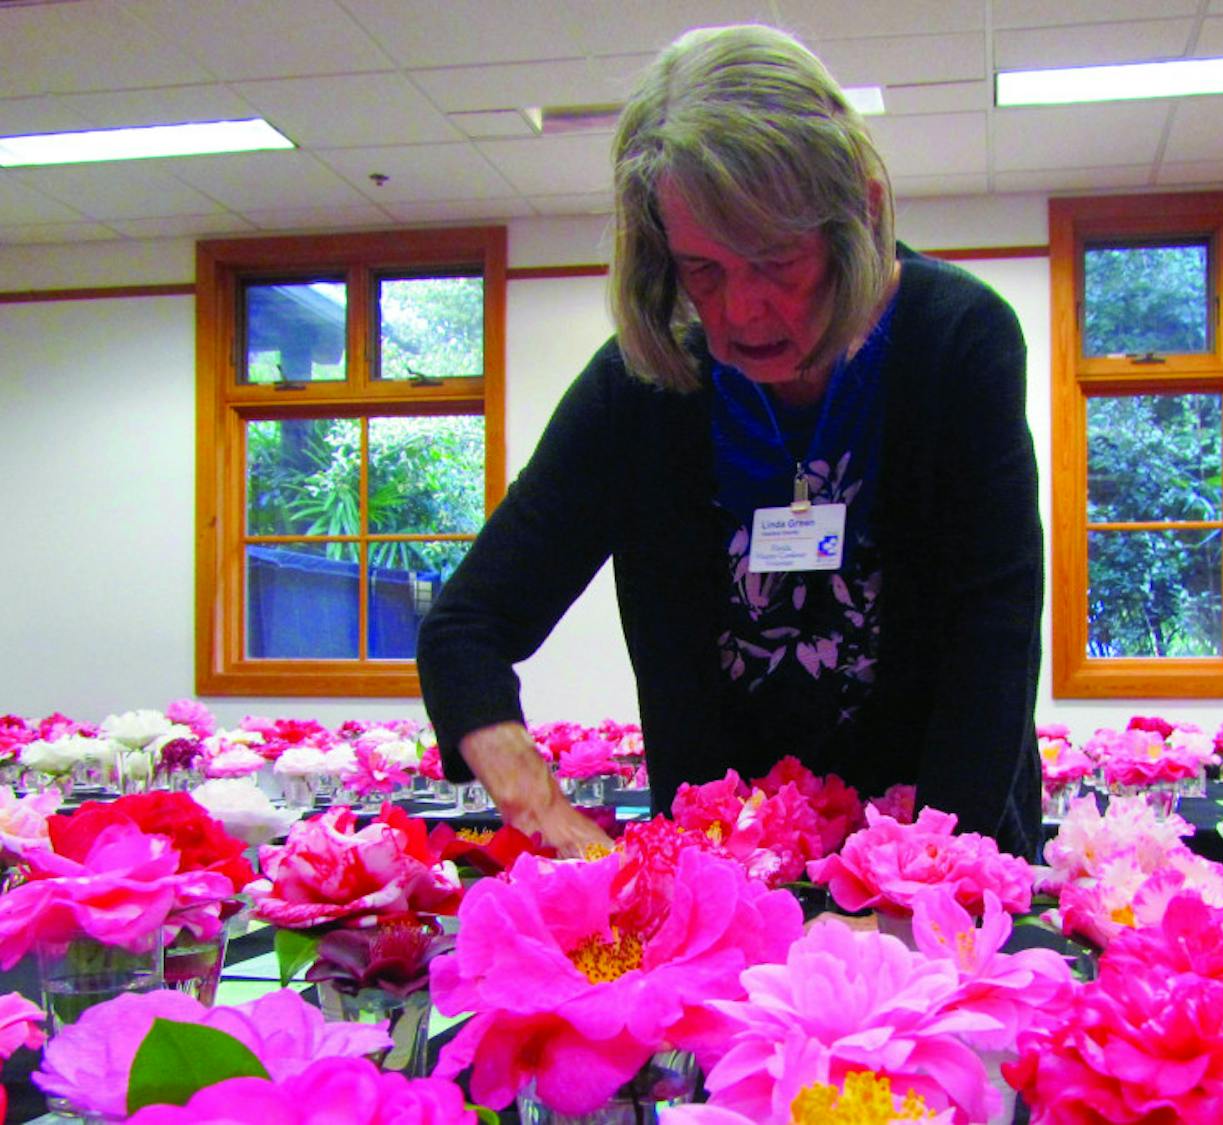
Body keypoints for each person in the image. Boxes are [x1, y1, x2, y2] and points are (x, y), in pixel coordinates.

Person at [417, 23, 1043, 858]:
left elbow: (993, 639)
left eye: (777, 260)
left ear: (855, 211)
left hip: (937, 852)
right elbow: (466, 623)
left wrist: (926, 879)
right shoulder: (644, 381)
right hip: (725, 877)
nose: (741, 313)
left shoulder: (959, 341)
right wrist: (538, 804)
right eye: (703, 270)